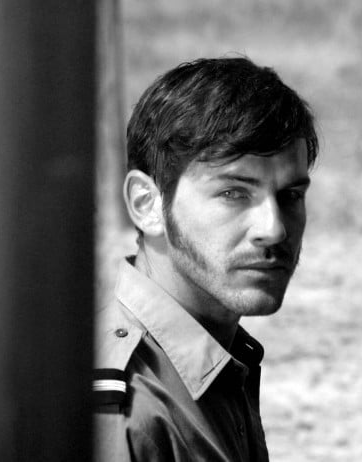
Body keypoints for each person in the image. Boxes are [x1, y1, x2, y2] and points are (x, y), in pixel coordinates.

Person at [93, 56, 318, 462]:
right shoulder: (128, 412)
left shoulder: (212, 356)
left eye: (290, 195)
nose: (274, 229)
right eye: (233, 193)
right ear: (147, 204)